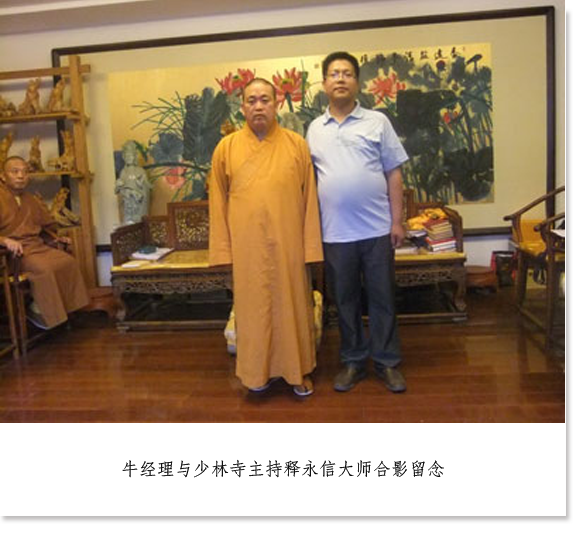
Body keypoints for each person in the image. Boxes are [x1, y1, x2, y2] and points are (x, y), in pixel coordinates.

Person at [208, 78, 323, 396]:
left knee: (293, 308)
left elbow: (310, 201)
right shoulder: (226, 149)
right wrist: (223, 251)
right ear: (242, 106)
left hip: (289, 245)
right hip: (247, 247)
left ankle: (297, 371)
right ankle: (256, 374)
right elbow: (217, 203)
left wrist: (310, 247)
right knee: (253, 312)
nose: (258, 106)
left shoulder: (296, 145)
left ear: (277, 104)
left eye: (265, 100)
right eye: (251, 100)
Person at [306, 51, 409, 393]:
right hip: (335, 233)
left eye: (347, 73)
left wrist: (397, 221)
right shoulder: (314, 129)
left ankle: (387, 362)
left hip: (377, 229)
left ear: (357, 82)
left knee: (382, 298)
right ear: (324, 83)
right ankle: (353, 361)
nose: (340, 78)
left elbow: (394, 173)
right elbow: (309, 181)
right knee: (345, 300)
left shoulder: (377, 122)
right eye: (334, 73)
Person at [0, 155, 89, 330]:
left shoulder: (30, 199)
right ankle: (42, 313)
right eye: (15, 172)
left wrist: (56, 238)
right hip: (13, 254)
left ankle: (61, 312)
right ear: (3, 176)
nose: (21, 176)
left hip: (36, 246)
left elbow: (44, 227)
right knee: (44, 269)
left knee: (68, 262)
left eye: (25, 172)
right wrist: (5, 240)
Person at [115, 140, 152, 224]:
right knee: (128, 223)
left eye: (130, 155)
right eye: (126, 156)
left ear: (135, 156)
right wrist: (120, 187)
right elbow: (120, 189)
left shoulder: (140, 171)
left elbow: (147, 189)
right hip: (128, 205)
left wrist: (141, 185)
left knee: (140, 222)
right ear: (124, 157)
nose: (128, 158)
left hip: (139, 205)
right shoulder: (123, 172)